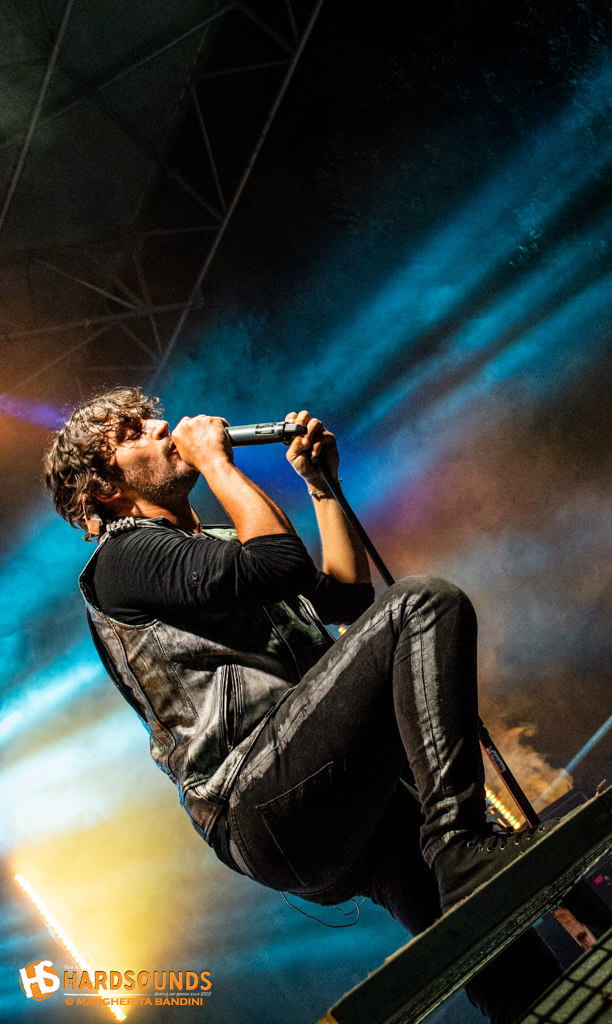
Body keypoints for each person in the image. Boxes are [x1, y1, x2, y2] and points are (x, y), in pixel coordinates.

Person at [44, 387, 563, 1023]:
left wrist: (321, 487)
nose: (161, 426)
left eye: (151, 418)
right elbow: (277, 565)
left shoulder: (216, 546)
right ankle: (460, 842)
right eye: (132, 434)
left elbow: (345, 602)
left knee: (493, 943)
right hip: (255, 797)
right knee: (424, 603)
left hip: (322, 790)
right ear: (105, 489)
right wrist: (217, 463)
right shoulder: (123, 560)